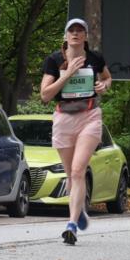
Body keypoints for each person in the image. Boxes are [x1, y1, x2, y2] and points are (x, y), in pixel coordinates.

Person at [40, 18, 112, 245]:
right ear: (65, 36)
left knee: (79, 170)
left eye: (80, 30)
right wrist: (67, 73)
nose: (76, 34)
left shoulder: (95, 58)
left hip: (90, 116)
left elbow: (107, 77)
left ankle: (71, 224)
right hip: (63, 118)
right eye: (71, 30)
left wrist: (104, 85)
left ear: (86, 36)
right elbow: (45, 95)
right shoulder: (54, 60)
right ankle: (78, 209)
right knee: (71, 174)